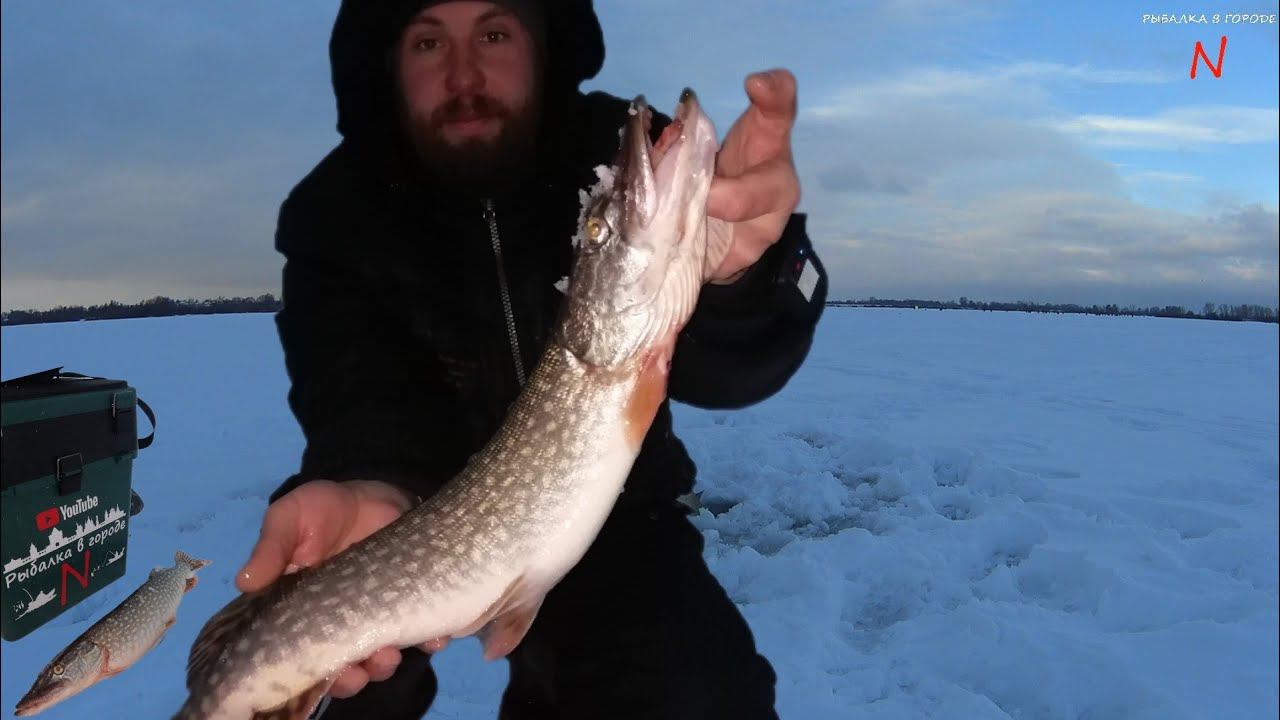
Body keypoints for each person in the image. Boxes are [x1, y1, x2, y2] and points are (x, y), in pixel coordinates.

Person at [237, 1, 828, 718]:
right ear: (388, 59)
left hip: (616, 520)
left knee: (700, 695)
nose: (463, 73)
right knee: (336, 693)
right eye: (428, 41)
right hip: (394, 524)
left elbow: (735, 372)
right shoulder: (330, 212)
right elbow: (355, 398)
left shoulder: (610, 144)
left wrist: (739, 279)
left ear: (542, 41)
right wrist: (373, 487)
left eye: (492, 32)